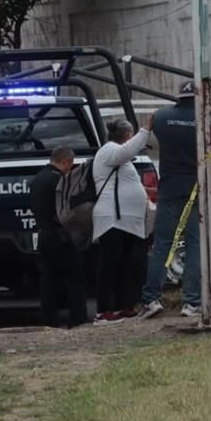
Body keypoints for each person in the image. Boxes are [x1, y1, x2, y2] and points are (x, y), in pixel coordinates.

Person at [138, 80, 211, 319]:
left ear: (178, 96)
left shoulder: (161, 117)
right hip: (197, 191)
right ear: (199, 96)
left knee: (162, 245)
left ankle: (151, 299)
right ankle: (191, 303)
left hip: (169, 189)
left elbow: (145, 134)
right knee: (194, 246)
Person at [91, 116, 155, 324]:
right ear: (126, 135)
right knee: (110, 266)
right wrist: (145, 130)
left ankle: (122, 307)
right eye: (131, 134)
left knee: (126, 266)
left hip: (127, 222)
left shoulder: (119, 156)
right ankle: (103, 311)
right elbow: (127, 151)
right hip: (112, 219)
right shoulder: (109, 150)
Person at [31, 146, 88, 328]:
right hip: (60, 236)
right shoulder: (60, 181)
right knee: (74, 278)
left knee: (48, 280)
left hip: (43, 234)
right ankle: (77, 319)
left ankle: (49, 320)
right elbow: (66, 210)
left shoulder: (38, 179)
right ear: (67, 162)